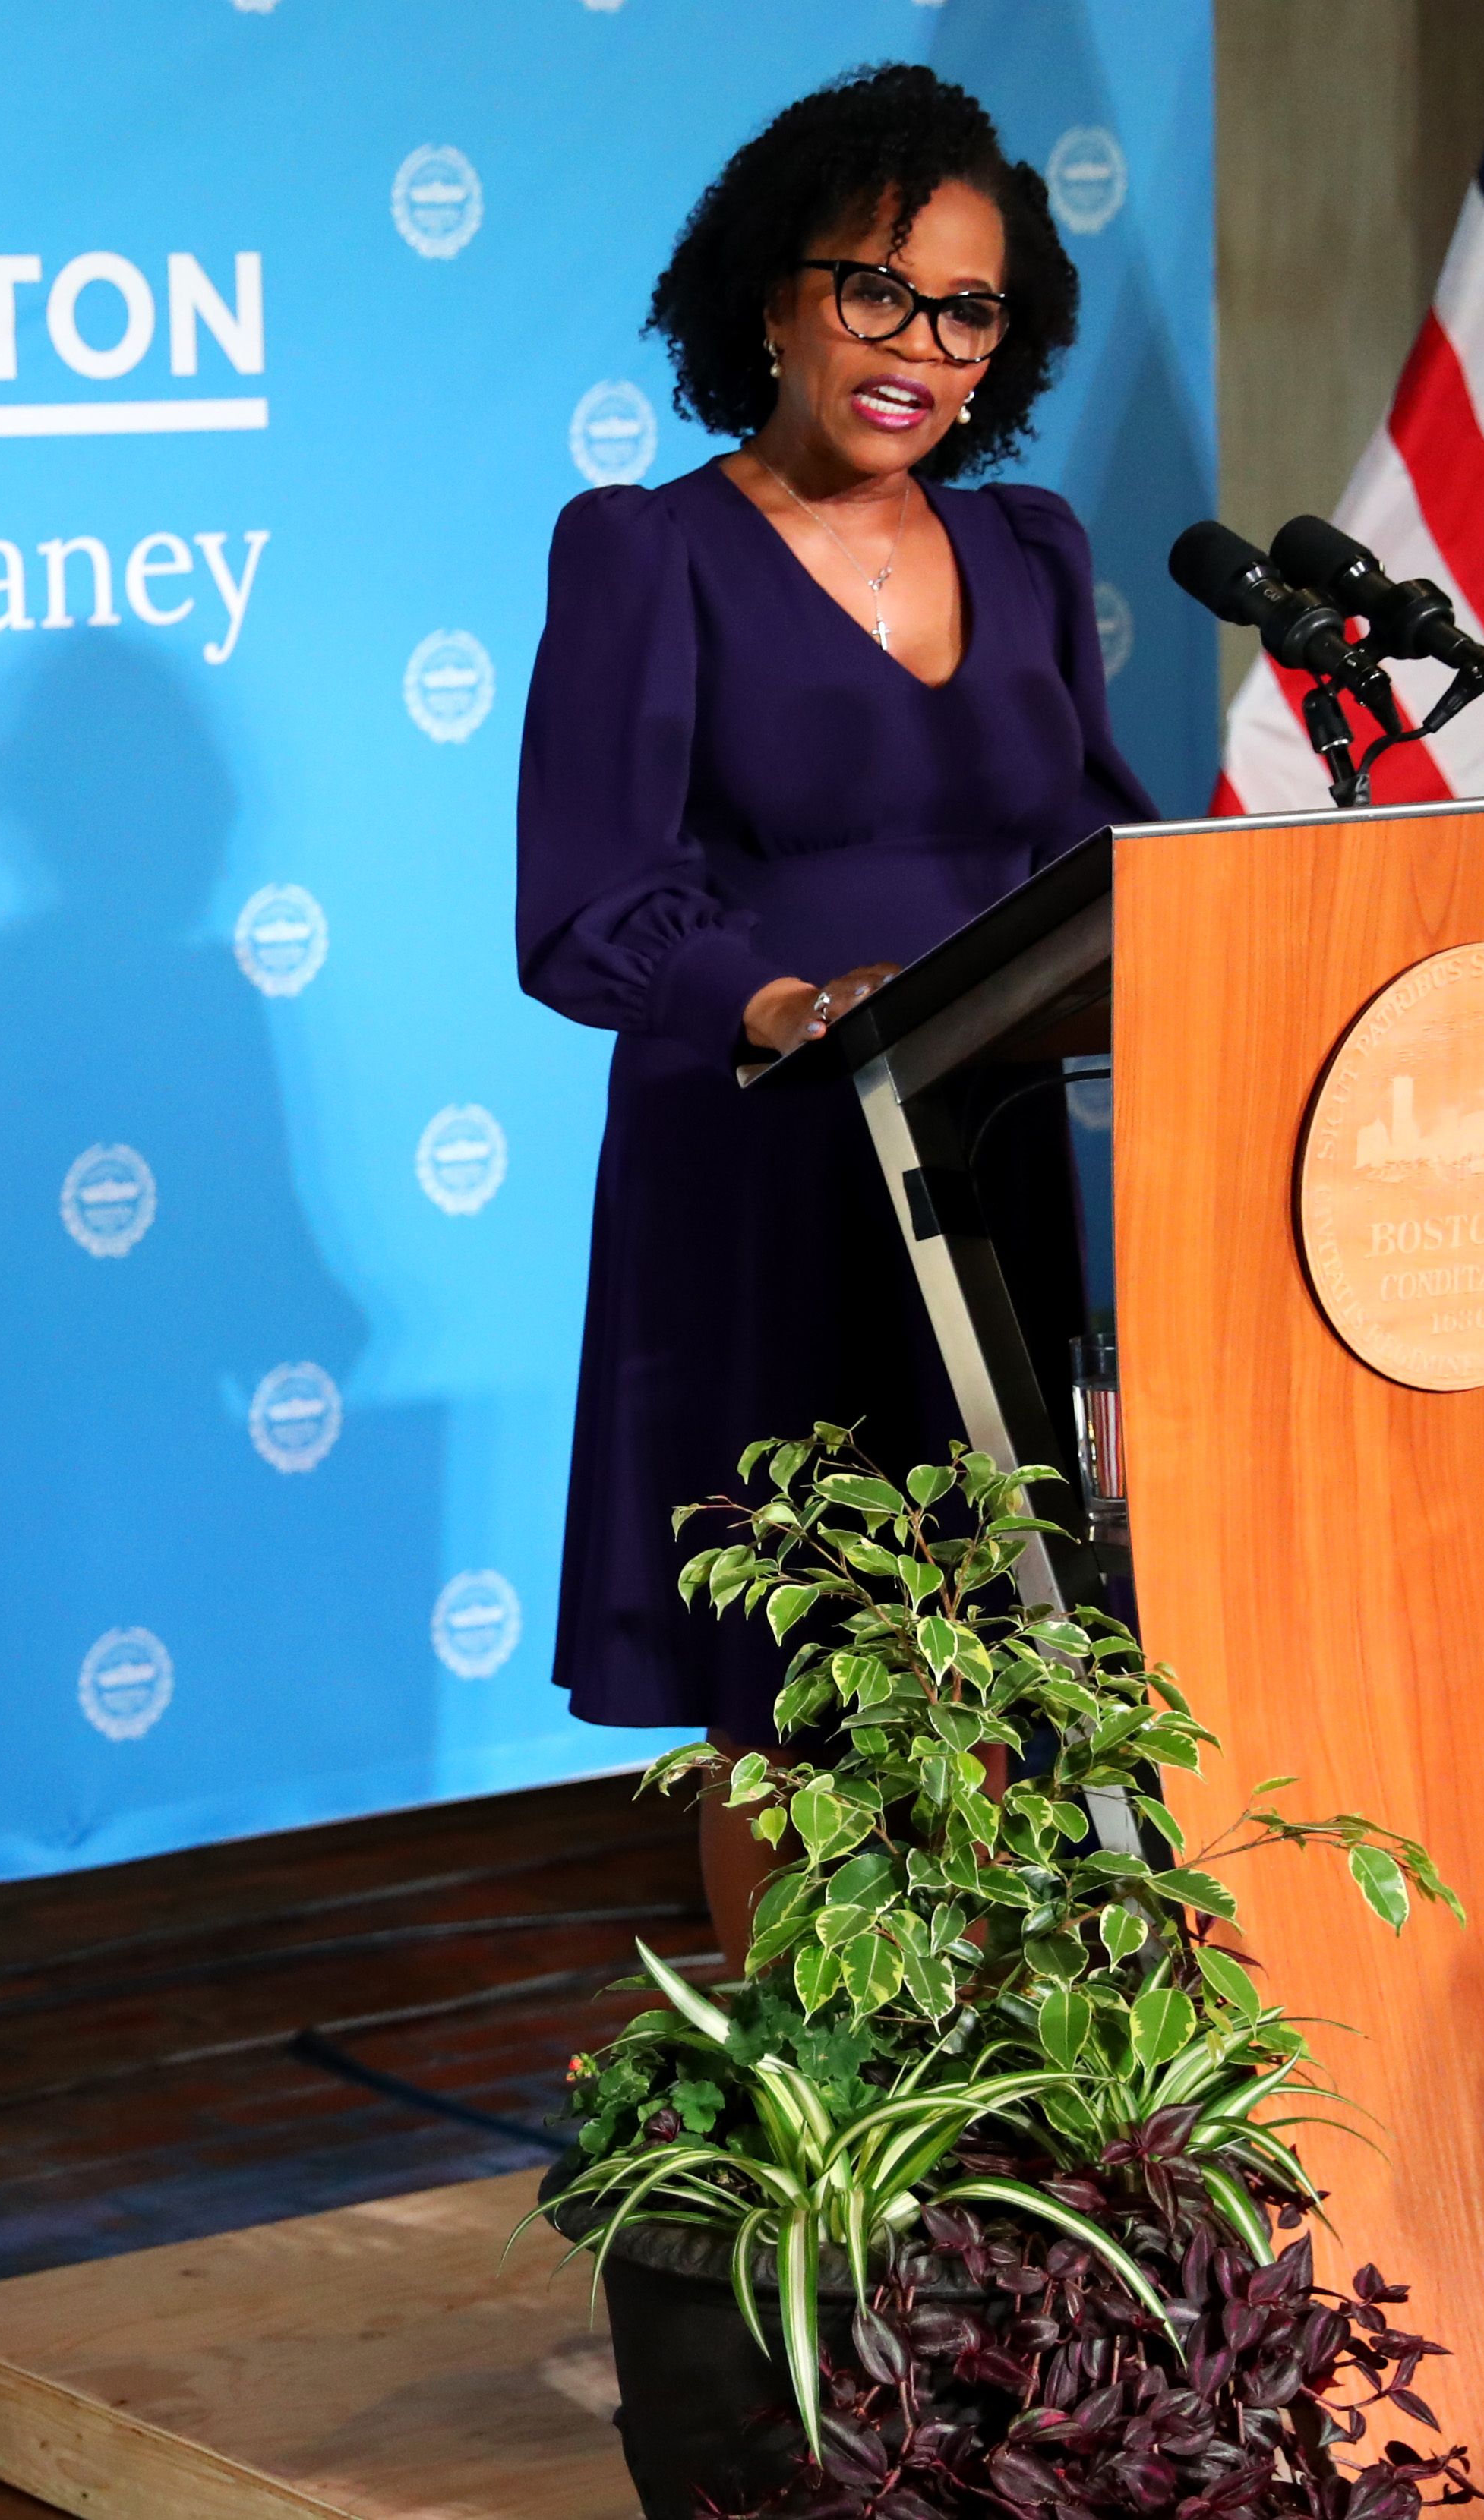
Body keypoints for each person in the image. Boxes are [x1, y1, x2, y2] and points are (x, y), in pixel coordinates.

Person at [515, 64, 1154, 1962]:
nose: (919, 347)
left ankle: (1006, 2127)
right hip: (773, 1169)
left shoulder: (1031, 547)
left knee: (1013, 1638)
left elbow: (1088, 834)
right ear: (774, 298)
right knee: (794, 1681)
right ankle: (829, 2127)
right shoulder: (647, 554)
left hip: (995, 1148)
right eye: (875, 290)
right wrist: (791, 998)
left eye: (967, 311)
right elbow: (587, 904)